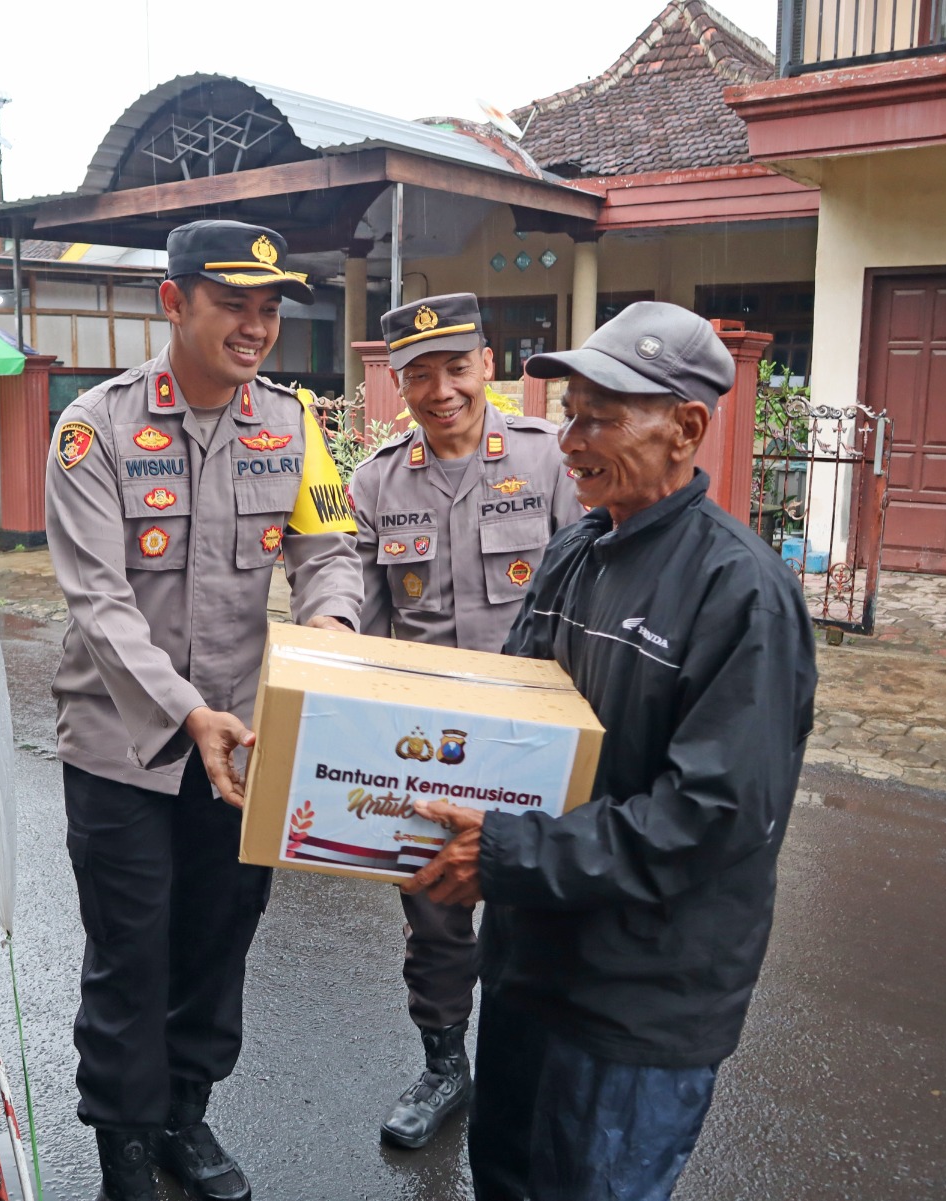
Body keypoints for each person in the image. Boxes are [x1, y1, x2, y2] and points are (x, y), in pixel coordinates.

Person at [403, 302, 817, 1201]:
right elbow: (511, 723)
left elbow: (713, 815)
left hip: (640, 995)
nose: (571, 438)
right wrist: (411, 800)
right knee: (506, 1179)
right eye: (568, 413)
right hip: (532, 960)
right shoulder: (575, 554)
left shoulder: (741, 592)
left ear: (687, 428)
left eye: (599, 416)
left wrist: (507, 851)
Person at [45, 220, 363, 1201]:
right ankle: (125, 1147)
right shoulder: (92, 430)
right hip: (121, 744)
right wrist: (187, 713)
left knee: (220, 937)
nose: (255, 327)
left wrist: (333, 633)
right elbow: (98, 601)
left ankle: (185, 1112)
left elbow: (329, 549)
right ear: (172, 301)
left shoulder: (293, 424)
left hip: (245, 740)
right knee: (131, 953)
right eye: (234, 304)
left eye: (269, 310)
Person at [348, 293, 582, 1150]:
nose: (440, 389)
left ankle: (531, 1064)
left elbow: (585, 595)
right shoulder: (375, 480)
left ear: (488, 363)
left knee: (536, 905)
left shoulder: (551, 458)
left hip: (531, 737)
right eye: (419, 373)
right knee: (436, 910)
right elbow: (369, 628)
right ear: (397, 382)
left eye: (455, 366)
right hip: (427, 743)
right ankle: (446, 1064)